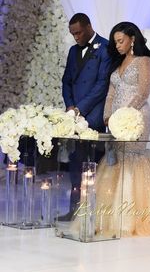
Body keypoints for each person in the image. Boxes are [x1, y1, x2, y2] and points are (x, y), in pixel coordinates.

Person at [75, 21, 150, 236]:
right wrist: (108, 116)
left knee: (132, 158)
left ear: (132, 39)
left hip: (136, 118)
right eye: (115, 42)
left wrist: (124, 115)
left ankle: (133, 218)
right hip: (116, 121)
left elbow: (143, 93)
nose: (117, 45)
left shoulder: (143, 61)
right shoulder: (117, 64)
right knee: (115, 159)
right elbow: (109, 93)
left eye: (120, 41)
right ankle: (111, 217)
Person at [60, 13, 112, 220]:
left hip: (94, 114)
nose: (76, 38)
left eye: (79, 32)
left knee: (94, 164)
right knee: (75, 163)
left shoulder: (105, 47)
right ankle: (74, 210)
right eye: (73, 34)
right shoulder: (73, 51)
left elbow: (102, 85)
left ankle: (95, 213)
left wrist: (80, 109)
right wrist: (70, 106)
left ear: (89, 26)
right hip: (75, 114)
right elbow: (67, 81)